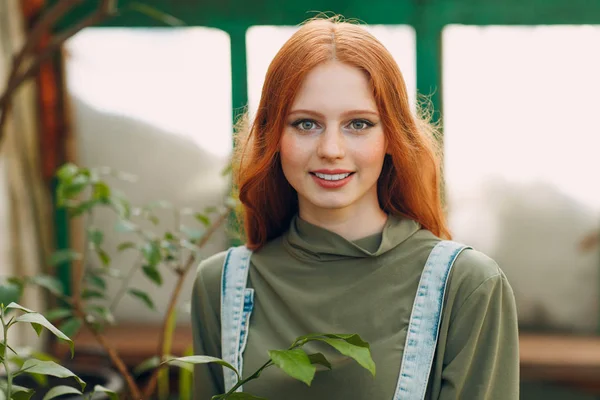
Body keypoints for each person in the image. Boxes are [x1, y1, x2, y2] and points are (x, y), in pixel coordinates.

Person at [191, 16, 519, 400]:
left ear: (393, 139)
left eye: (359, 124)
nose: (331, 149)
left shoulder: (468, 287)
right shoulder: (223, 286)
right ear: (273, 137)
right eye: (306, 124)